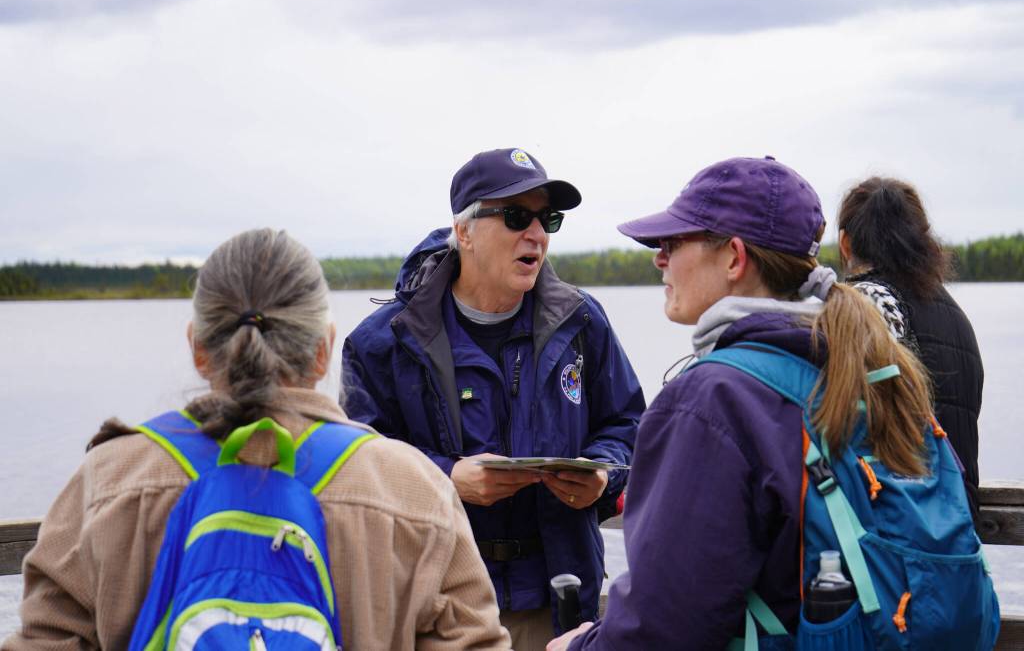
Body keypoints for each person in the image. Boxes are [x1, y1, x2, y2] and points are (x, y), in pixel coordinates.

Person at [547, 156, 995, 650]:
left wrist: (576, 646)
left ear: (735, 258)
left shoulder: (711, 398)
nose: (659, 258)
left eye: (672, 242)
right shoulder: (866, 364)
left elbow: (665, 626)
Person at [2, 229, 510, 651]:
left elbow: (45, 637)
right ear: (324, 349)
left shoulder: (109, 480)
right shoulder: (413, 489)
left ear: (199, 349)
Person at [342, 148, 644, 649]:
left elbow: (629, 425)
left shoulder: (583, 321)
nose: (537, 234)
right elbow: (359, 464)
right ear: (463, 232)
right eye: (515, 216)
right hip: (437, 603)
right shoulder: (382, 343)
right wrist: (446, 479)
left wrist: (602, 478)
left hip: (560, 603)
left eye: (547, 219)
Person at [838, 176, 984, 518]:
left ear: (845, 244)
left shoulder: (864, 304)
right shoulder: (955, 316)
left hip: (897, 531)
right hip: (956, 526)